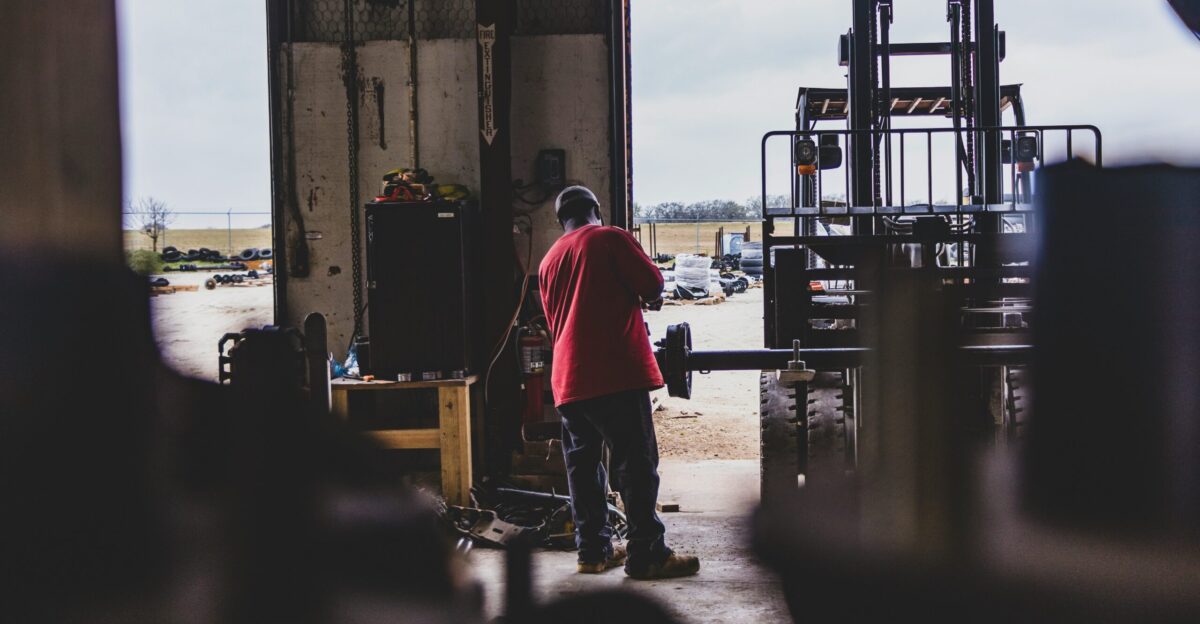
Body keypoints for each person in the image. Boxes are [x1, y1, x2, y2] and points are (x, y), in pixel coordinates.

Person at [538, 185, 700, 579]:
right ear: (596, 210)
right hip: (612, 374)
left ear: (562, 221)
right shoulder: (608, 237)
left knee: (583, 468)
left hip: (568, 382)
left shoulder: (549, 260)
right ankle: (647, 554)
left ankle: (592, 552)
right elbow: (654, 285)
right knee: (635, 464)